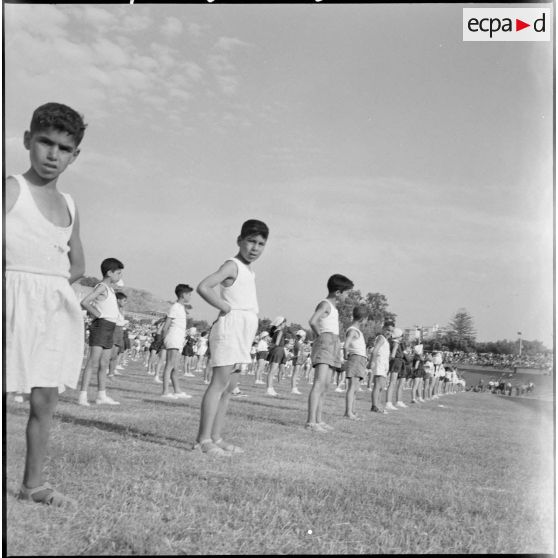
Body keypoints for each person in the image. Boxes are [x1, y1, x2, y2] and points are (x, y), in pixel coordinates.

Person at [6, 102, 87, 506]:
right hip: (11, 299)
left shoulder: (70, 204)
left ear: (75, 155)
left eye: (64, 148)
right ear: (27, 140)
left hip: (52, 305)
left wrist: (49, 287)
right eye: (45, 142)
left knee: (45, 398)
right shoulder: (11, 190)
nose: (53, 155)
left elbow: (77, 263)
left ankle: (32, 484)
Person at [194, 219, 269, 455]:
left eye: (260, 244)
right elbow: (204, 286)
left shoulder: (249, 271)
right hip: (230, 327)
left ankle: (216, 437)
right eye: (251, 241)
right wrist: (224, 307)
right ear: (240, 241)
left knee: (229, 388)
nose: (255, 248)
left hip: (244, 330)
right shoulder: (232, 265)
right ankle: (203, 440)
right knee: (218, 384)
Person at [306, 274, 354, 432]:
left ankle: (319, 420)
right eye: (347, 293)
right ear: (338, 292)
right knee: (319, 383)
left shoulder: (333, 308)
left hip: (333, 343)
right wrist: (320, 336)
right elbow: (313, 321)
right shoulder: (325, 304)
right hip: (325, 342)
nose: (347, 296)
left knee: (326, 385)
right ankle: (311, 422)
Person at [78, 258, 125, 406]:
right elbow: (85, 302)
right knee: (92, 362)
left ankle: (101, 395)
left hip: (110, 327)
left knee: (104, 363)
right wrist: (97, 314)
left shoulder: (111, 289)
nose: (120, 276)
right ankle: (82, 396)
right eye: (118, 273)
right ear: (109, 273)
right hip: (101, 326)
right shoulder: (102, 287)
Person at [161, 284, 194, 399]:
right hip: (173, 338)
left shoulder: (181, 307)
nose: (190, 296)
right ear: (183, 294)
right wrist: (164, 340)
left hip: (178, 339)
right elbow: (166, 326)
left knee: (175, 366)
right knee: (170, 365)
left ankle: (177, 390)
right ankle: (165, 391)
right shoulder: (175, 307)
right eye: (189, 294)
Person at [343, 305, 368, 419]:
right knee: (352, 386)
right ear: (362, 319)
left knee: (356, 387)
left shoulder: (356, 330)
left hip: (360, 359)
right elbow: (346, 345)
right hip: (355, 358)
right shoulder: (353, 330)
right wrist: (345, 356)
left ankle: (352, 410)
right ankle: (348, 412)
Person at [369, 322, 394, 413]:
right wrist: (372, 361)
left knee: (381, 386)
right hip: (379, 364)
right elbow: (375, 351)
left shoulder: (386, 341)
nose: (389, 332)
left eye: (391, 331)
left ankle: (378, 405)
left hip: (383, 366)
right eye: (388, 330)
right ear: (383, 328)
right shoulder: (381, 338)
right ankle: (374, 406)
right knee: (378, 385)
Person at [107, 292, 128, 378]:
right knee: (110, 355)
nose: (125, 302)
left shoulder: (121, 310)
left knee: (115, 355)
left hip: (120, 333)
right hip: (115, 331)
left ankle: (111, 373)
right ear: (118, 300)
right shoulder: (113, 309)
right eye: (124, 300)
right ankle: (107, 370)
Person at [265, 316, 288, 397]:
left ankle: (270, 389)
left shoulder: (275, 331)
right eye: (285, 323)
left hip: (275, 350)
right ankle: (269, 389)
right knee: (272, 372)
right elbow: (277, 343)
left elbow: (273, 343)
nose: (285, 324)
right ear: (281, 323)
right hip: (278, 350)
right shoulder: (280, 331)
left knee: (272, 371)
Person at [385, 328, 404, 411]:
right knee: (392, 383)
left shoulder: (392, 342)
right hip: (396, 361)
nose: (402, 338)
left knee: (393, 383)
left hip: (396, 362)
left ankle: (389, 402)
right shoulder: (396, 343)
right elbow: (393, 354)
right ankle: (388, 402)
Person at [290, 330, 307, 395]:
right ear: (302, 336)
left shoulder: (298, 343)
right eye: (304, 336)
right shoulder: (298, 343)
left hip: (298, 360)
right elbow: (298, 354)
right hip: (297, 360)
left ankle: (294, 388)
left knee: (295, 374)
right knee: (295, 374)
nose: (305, 337)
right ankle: (293, 388)